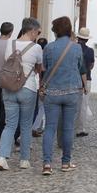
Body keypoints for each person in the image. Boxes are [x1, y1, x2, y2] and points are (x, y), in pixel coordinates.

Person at [40, 16, 87, 175]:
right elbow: (80, 66)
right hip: (72, 91)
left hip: (52, 92)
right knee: (68, 128)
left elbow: (44, 68)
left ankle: (47, 164)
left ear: (55, 31)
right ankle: (65, 162)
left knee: (50, 128)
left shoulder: (49, 48)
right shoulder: (77, 48)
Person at [0, 17, 43, 171]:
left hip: (8, 88)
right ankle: (24, 160)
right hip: (27, 89)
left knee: (9, 124)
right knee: (26, 125)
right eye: (38, 32)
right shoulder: (36, 48)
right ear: (33, 30)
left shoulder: (10, 43)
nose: (38, 34)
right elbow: (39, 67)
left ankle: (2, 157)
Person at [74, 27, 95, 137]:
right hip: (86, 78)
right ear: (87, 39)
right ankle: (80, 128)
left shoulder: (73, 48)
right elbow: (91, 66)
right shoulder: (90, 51)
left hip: (73, 79)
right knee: (83, 105)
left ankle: (71, 126)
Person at [31, 37, 49, 138]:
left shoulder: (35, 53)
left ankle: (36, 126)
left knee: (35, 108)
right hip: (41, 84)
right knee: (41, 107)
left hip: (33, 83)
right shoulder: (45, 56)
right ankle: (36, 127)